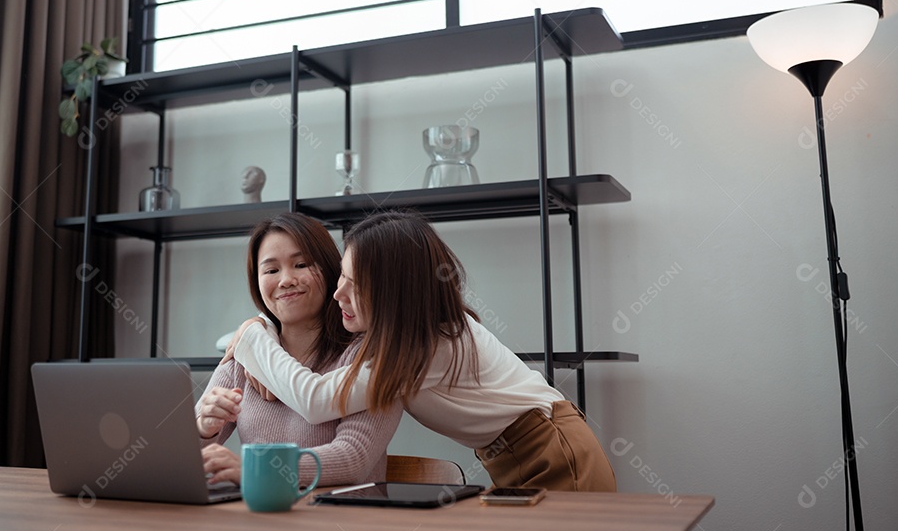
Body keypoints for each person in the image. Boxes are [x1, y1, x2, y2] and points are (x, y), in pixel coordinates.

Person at [227, 210, 617, 492]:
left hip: (552, 450)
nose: (337, 294)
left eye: (355, 284)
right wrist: (257, 331)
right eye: (341, 278)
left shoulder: (427, 342)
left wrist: (254, 336)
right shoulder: (400, 335)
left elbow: (316, 399)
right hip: (516, 452)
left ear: (393, 290)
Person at [196, 212, 400, 487]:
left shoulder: (370, 354)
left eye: (301, 264)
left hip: (343, 521)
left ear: (332, 272)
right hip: (260, 518)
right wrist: (203, 429)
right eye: (271, 270)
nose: (286, 280)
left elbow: (353, 459)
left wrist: (255, 468)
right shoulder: (243, 356)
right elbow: (176, 458)